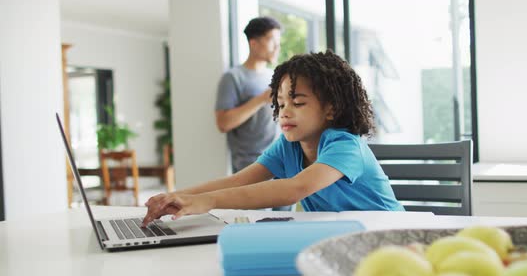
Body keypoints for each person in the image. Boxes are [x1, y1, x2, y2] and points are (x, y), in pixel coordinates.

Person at [142, 51, 404, 227]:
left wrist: (206, 202)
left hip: (389, 234)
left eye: (298, 102)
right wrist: (175, 196)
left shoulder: (345, 145)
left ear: (331, 109)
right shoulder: (289, 146)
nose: (285, 111)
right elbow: (237, 180)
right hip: (342, 236)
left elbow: (295, 188)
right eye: (280, 103)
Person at [215, 16, 281, 173]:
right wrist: (261, 99)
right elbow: (223, 123)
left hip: (278, 160)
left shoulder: (274, 76)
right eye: (272, 40)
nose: (277, 47)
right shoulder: (233, 77)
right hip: (249, 167)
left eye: (278, 41)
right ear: (254, 43)